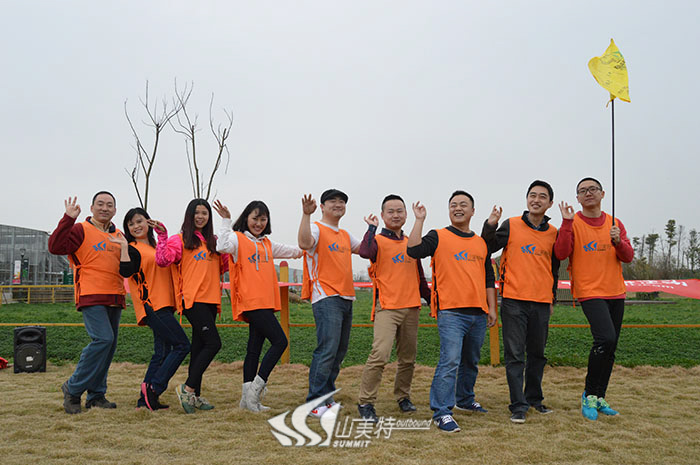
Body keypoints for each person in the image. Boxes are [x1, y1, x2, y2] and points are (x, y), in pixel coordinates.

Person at [406, 190, 497, 433]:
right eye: (454, 204)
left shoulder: (480, 243)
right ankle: (442, 411)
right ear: (449, 210)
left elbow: (488, 277)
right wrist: (419, 220)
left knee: (471, 361)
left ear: (473, 211)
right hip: (451, 312)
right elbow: (413, 250)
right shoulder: (438, 236)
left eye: (463, 204)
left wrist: (491, 307)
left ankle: (465, 400)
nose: (458, 208)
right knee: (450, 360)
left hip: (478, 312)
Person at [481, 180, 560, 424]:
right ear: (527, 199)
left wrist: (552, 298)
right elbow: (487, 247)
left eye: (542, 196)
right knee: (515, 355)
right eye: (532, 195)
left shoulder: (553, 232)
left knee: (537, 354)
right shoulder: (511, 224)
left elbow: (554, 268)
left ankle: (534, 399)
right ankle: (518, 405)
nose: (536, 200)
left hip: (541, 302)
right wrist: (490, 225)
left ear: (550, 203)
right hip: (514, 301)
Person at [555, 177, 633, 421]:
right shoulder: (573, 222)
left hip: (615, 291)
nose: (588, 193)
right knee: (605, 338)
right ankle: (588, 394)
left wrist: (618, 241)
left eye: (593, 189)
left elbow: (628, 256)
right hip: (589, 291)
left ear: (602, 193)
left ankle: (600, 396)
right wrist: (566, 223)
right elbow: (561, 253)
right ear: (578, 198)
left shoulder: (615, 223)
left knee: (611, 346)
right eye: (583, 191)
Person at [214, 200, 303, 412]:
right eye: (255, 218)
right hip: (251, 302)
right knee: (280, 341)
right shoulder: (237, 239)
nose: (259, 223)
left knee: (254, 348)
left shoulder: (267, 244)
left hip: (266, 302)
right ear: (246, 218)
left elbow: (294, 251)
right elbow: (221, 247)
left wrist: (310, 246)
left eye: (263, 219)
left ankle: (247, 400)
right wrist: (226, 220)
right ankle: (256, 388)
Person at [356, 194, 431, 423]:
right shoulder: (377, 241)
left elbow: (420, 278)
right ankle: (366, 402)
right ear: (383, 215)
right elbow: (365, 252)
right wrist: (371, 229)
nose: (396, 215)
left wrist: (432, 301)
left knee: (408, 358)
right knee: (380, 354)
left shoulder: (411, 242)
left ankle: (403, 396)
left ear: (406, 214)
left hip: (412, 307)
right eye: (391, 211)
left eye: (400, 211)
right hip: (387, 307)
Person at [49, 192, 126, 414]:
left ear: (115, 210)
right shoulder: (80, 229)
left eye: (109, 205)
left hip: (115, 295)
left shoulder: (118, 234)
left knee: (108, 348)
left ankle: (96, 395)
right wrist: (68, 219)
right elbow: (55, 246)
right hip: (91, 294)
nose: (105, 208)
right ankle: (73, 388)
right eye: (100, 204)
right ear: (92, 208)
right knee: (103, 339)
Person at [155, 198, 228, 414]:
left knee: (199, 348)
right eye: (197, 212)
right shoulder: (180, 240)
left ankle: (194, 395)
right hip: (193, 300)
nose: (200, 217)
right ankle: (187, 389)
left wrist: (227, 227)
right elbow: (163, 260)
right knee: (213, 343)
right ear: (189, 215)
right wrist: (162, 237)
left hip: (211, 301)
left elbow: (225, 265)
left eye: (204, 213)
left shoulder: (213, 243)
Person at [116, 207, 191, 411]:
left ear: (148, 222)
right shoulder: (133, 248)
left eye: (139, 221)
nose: (136, 226)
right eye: (131, 224)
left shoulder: (156, 247)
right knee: (182, 345)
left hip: (165, 304)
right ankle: (155, 387)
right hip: (152, 306)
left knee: (162, 352)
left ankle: (145, 400)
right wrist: (124, 248)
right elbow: (126, 271)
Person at [298, 189, 361, 418]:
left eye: (342, 201)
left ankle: (327, 397)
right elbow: (304, 243)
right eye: (332, 201)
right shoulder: (316, 228)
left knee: (338, 352)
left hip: (346, 296)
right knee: (327, 350)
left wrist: (375, 229)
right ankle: (314, 402)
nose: (338, 204)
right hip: (325, 296)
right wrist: (306, 215)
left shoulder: (344, 234)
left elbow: (365, 250)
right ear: (323, 206)